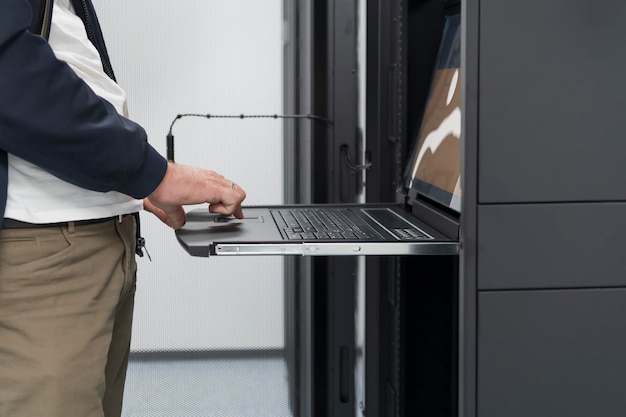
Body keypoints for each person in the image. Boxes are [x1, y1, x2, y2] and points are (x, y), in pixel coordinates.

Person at [0, 0, 247, 416]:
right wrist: (154, 173)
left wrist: (127, 184)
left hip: (93, 235)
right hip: (41, 252)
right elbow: (9, 75)